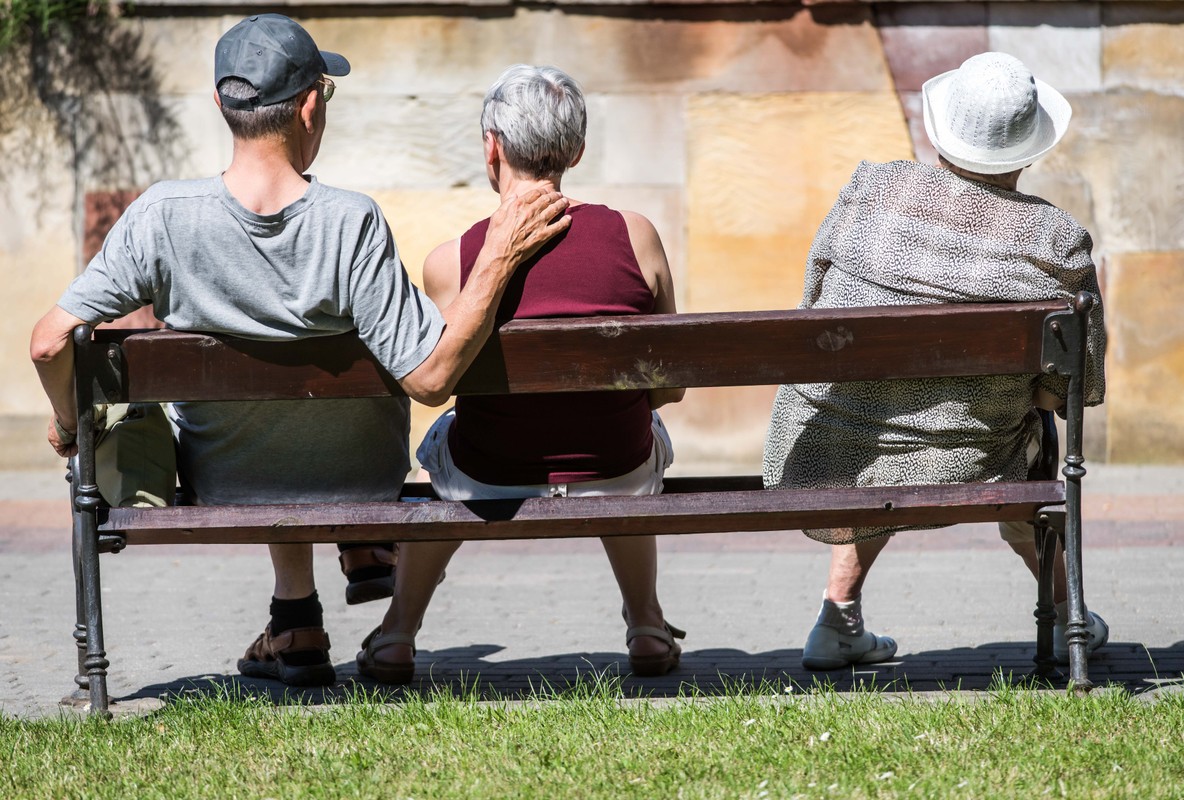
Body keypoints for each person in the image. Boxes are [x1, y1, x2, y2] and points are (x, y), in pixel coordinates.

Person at [29, 15, 570, 687]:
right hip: (361, 477)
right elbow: (429, 377)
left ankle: (291, 619)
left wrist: (72, 423)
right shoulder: (353, 222)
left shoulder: (163, 216)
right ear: (311, 106)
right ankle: (333, 576)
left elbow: (50, 342)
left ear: (222, 105)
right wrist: (496, 258)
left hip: (224, 480)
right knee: (312, 428)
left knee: (256, 434)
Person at [761, 52, 1109, 671]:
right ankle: (1066, 611)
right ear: (1027, 152)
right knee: (1033, 436)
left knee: (878, 422)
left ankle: (838, 616)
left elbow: (811, 308)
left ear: (939, 130)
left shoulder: (870, 193)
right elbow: (1070, 390)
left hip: (835, 446)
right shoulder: (1056, 242)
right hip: (974, 456)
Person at [354, 65, 686, 684]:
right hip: (615, 465)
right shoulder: (636, 236)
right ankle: (645, 621)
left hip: (491, 470)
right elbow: (668, 387)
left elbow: (438, 381)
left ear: (493, 146)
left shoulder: (450, 260)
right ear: (578, 150)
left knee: (441, 449)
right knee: (639, 439)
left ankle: (398, 633)